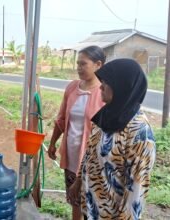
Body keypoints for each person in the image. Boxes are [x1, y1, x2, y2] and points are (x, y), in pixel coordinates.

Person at [69, 58, 156, 219]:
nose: (100, 86)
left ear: (122, 86)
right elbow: (90, 153)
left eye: (106, 82)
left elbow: (135, 194)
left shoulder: (140, 133)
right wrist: (78, 181)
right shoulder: (106, 115)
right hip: (90, 208)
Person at [47, 45, 106, 220]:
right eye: (77, 64)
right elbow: (61, 120)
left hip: (92, 159)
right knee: (75, 201)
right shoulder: (72, 88)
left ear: (98, 64)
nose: (78, 68)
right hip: (72, 155)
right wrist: (52, 143)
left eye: (83, 64)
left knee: (91, 202)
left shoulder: (104, 92)